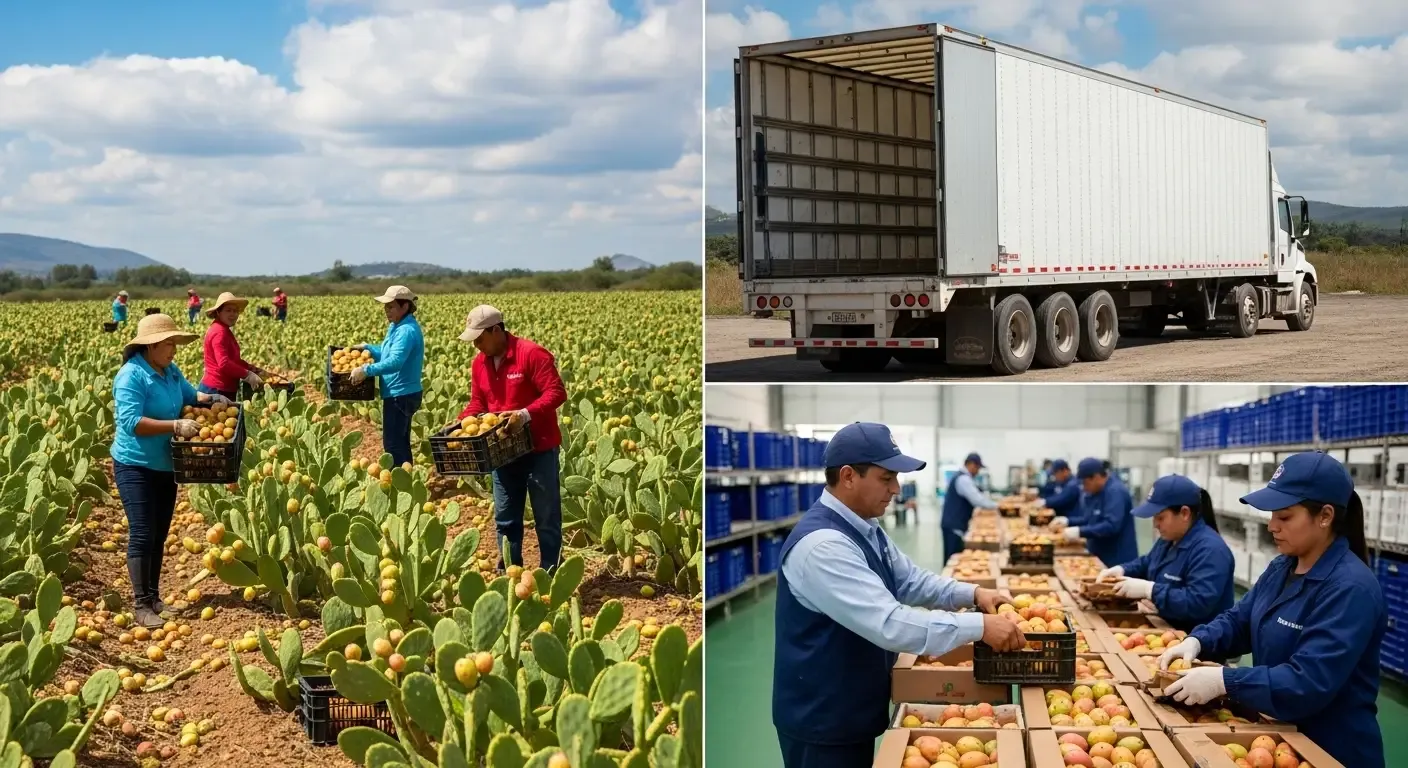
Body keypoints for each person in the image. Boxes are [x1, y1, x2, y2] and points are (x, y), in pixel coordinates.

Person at [772, 423, 1025, 768]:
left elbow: (910, 581)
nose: (896, 488)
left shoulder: (865, 527)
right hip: (821, 720)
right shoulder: (824, 546)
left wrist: (974, 593)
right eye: (886, 478)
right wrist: (979, 627)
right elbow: (889, 624)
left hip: (850, 706)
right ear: (848, 476)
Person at [1159, 451, 1384, 768]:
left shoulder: (1350, 589)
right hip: (1280, 739)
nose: (1272, 526)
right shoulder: (1283, 567)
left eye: (1285, 517)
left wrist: (1226, 681)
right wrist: (1198, 641)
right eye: (1272, 515)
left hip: (1329, 748)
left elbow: (1308, 682)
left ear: (1325, 516)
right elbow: (1241, 620)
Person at [112, 315, 231, 628]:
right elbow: (131, 422)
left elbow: (191, 397)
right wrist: (175, 425)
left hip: (167, 463)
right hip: (135, 465)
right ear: (151, 345)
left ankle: (154, 599)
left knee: (159, 533)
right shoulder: (132, 375)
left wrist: (212, 399)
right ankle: (141, 605)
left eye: (175, 343)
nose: (174, 349)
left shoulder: (170, 370)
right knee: (142, 532)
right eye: (168, 344)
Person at [458, 305, 567, 572]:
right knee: (505, 518)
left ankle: (551, 572)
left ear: (496, 330)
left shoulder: (531, 354)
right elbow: (478, 402)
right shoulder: (480, 363)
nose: (476, 345)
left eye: (479, 339)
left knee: (546, 517)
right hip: (502, 450)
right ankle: (509, 572)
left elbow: (556, 392)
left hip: (539, 448)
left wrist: (524, 414)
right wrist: (461, 423)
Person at [1096, 474, 1234, 636]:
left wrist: (1150, 590)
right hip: (1166, 629)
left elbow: (1197, 603)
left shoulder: (1210, 550)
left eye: (1160, 517)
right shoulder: (1170, 538)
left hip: (1198, 641)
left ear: (1184, 513)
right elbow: (1148, 562)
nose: (1155, 524)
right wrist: (1122, 570)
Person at [349, 286, 425, 468]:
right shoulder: (397, 326)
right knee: (399, 443)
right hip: (399, 393)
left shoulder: (406, 331)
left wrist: (366, 370)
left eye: (391, 306)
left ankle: (399, 482)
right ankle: (405, 479)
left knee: (394, 446)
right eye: (386, 306)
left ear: (405, 306)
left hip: (401, 395)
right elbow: (387, 354)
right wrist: (369, 348)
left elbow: (395, 362)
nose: (386, 310)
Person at [1054, 457, 1137, 566]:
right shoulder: (1096, 492)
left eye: (1085, 483)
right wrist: (1068, 521)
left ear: (1096, 477)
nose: (1084, 488)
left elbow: (1111, 526)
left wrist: (1080, 531)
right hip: (1101, 555)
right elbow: (1090, 519)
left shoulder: (1115, 492)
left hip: (1117, 559)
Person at [200, 293, 265, 401]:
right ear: (218, 312)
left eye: (235, 311)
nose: (233, 314)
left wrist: (252, 369)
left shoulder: (223, 329)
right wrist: (247, 374)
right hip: (216, 390)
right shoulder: (219, 332)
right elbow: (224, 363)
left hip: (222, 388)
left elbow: (234, 360)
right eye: (228, 310)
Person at [940, 453, 998, 562]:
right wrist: (998, 506)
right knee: (953, 558)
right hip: (954, 526)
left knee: (953, 557)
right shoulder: (963, 479)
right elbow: (977, 500)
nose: (978, 471)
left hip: (954, 524)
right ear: (970, 464)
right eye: (977, 468)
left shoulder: (962, 477)